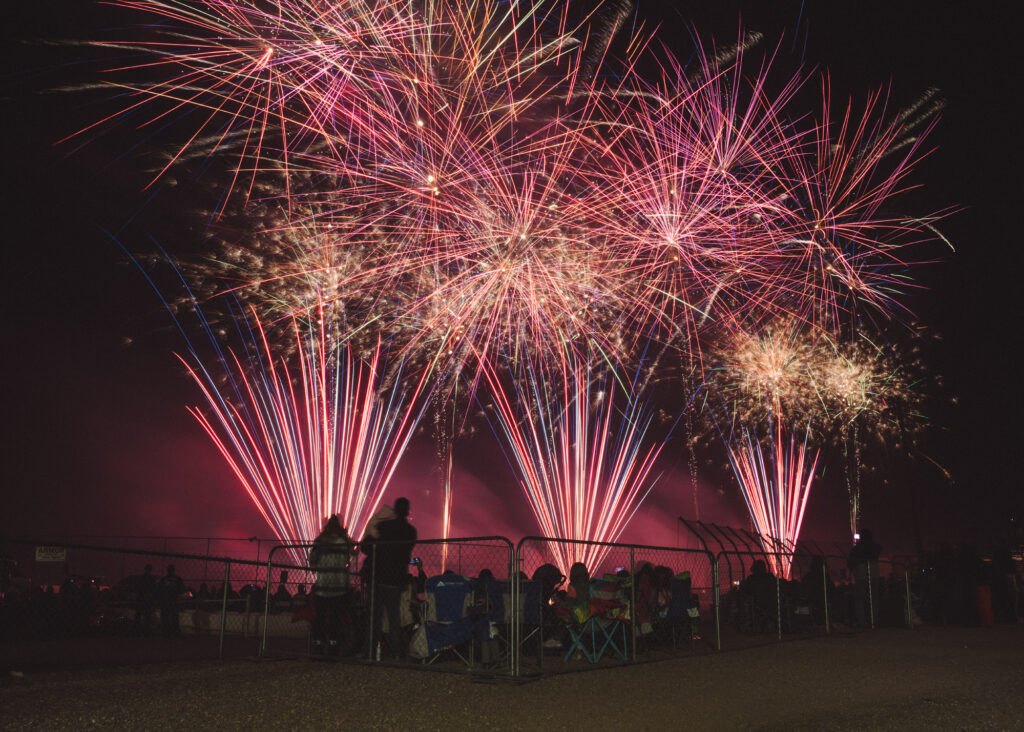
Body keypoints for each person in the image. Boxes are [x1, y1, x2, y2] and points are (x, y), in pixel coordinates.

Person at [367, 497, 417, 659]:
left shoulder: (383, 526)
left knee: (375, 618)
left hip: (379, 576)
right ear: (407, 511)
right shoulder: (410, 531)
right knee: (394, 618)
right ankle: (396, 653)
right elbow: (407, 549)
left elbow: (366, 547)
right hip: (397, 578)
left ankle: (371, 651)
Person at [309, 515, 354, 656]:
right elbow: (352, 553)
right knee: (336, 617)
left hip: (323, 585)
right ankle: (334, 646)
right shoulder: (343, 541)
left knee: (320, 617)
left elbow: (312, 560)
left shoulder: (320, 541)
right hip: (339, 586)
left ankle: (318, 645)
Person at [848, 530, 883, 627]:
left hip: (861, 574)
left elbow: (850, 562)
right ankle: (874, 620)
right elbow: (879, 548)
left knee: (860, 598)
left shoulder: (857, 549)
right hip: (873, 574)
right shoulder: (875, 547)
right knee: (874, 598)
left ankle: (862, 621)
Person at [157, 565, 186, 636]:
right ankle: (175, 631)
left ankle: (166, 631)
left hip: (166, 600)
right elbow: (181, 589)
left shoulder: (164, 579)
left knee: (166, 617)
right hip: (174, 600)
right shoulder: (177, 579)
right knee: (174, 617)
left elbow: (159, 590)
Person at [134, 563, 157, 634]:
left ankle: (139, 629)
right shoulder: (151, 579)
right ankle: (145, 629)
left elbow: (138, 588)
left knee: (140, 614)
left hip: (142, 598)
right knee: (146, 614)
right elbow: (154, 589)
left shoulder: (142, 578)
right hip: (146, 598)